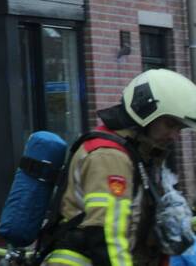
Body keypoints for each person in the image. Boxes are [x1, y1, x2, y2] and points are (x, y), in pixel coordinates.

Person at [41, 69, 196, 266]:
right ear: (144, 110)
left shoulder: (141, 155)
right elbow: (106, 236)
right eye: (169, 124)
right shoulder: (110, 156)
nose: (174, 135)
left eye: (179, 128)